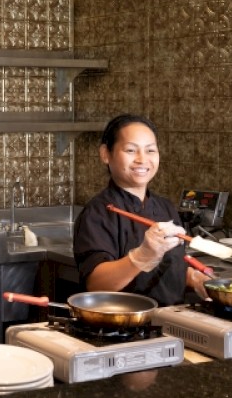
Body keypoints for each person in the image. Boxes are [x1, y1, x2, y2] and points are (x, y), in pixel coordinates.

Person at [72, 113, 207, 306]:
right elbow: (96, 283)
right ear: (105, 154)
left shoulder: (165, 207)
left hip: (170, 321)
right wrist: (141, 257)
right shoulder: (98, 212)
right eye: (130, 150)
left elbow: (169, 266)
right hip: (125, 326)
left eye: (150, 150)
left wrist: (194, 278)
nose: (142, 159)